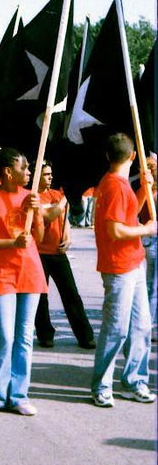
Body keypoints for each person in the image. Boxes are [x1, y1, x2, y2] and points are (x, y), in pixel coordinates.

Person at [0, 146, 48, 422]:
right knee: (6, 336)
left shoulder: (31, 197)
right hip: (1, 273)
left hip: (30, 272)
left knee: (24, 337)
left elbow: (39, 237)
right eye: (25, 168)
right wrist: (11, 242)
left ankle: (19, 395)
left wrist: (38, 213)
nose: (29, 172)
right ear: (8, 171)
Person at [91, 133, 157, 407]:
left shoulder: (117, 184)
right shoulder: (115, 186)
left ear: (108, 156)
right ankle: (101, 385)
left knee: (141, 325)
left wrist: (145, 190)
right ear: (132, 156)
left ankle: (134, 380)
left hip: (133, 262)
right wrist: (146, 229)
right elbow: (116, 230)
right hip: (119, 267)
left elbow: (127, 214)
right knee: (116, 328)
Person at [34, 161, 95, 349]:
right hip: (39, 253)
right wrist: (65, 198)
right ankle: (45, 334)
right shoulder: (34, 197)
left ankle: (85, 335)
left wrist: (67, 238)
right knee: (40, 298)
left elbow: (63, 219)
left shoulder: (56, 194)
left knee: (71, 294)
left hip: (57, 252)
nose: (50, 177)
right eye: (46, 174)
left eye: (51, 174)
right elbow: (50, 215)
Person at [136, 155, 157, 340]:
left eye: (153, 166)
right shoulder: (145, 188)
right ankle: (148, 325)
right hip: (151, 239)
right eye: (147, 166)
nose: (151, 169)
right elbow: (137, 211)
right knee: (152, 285)